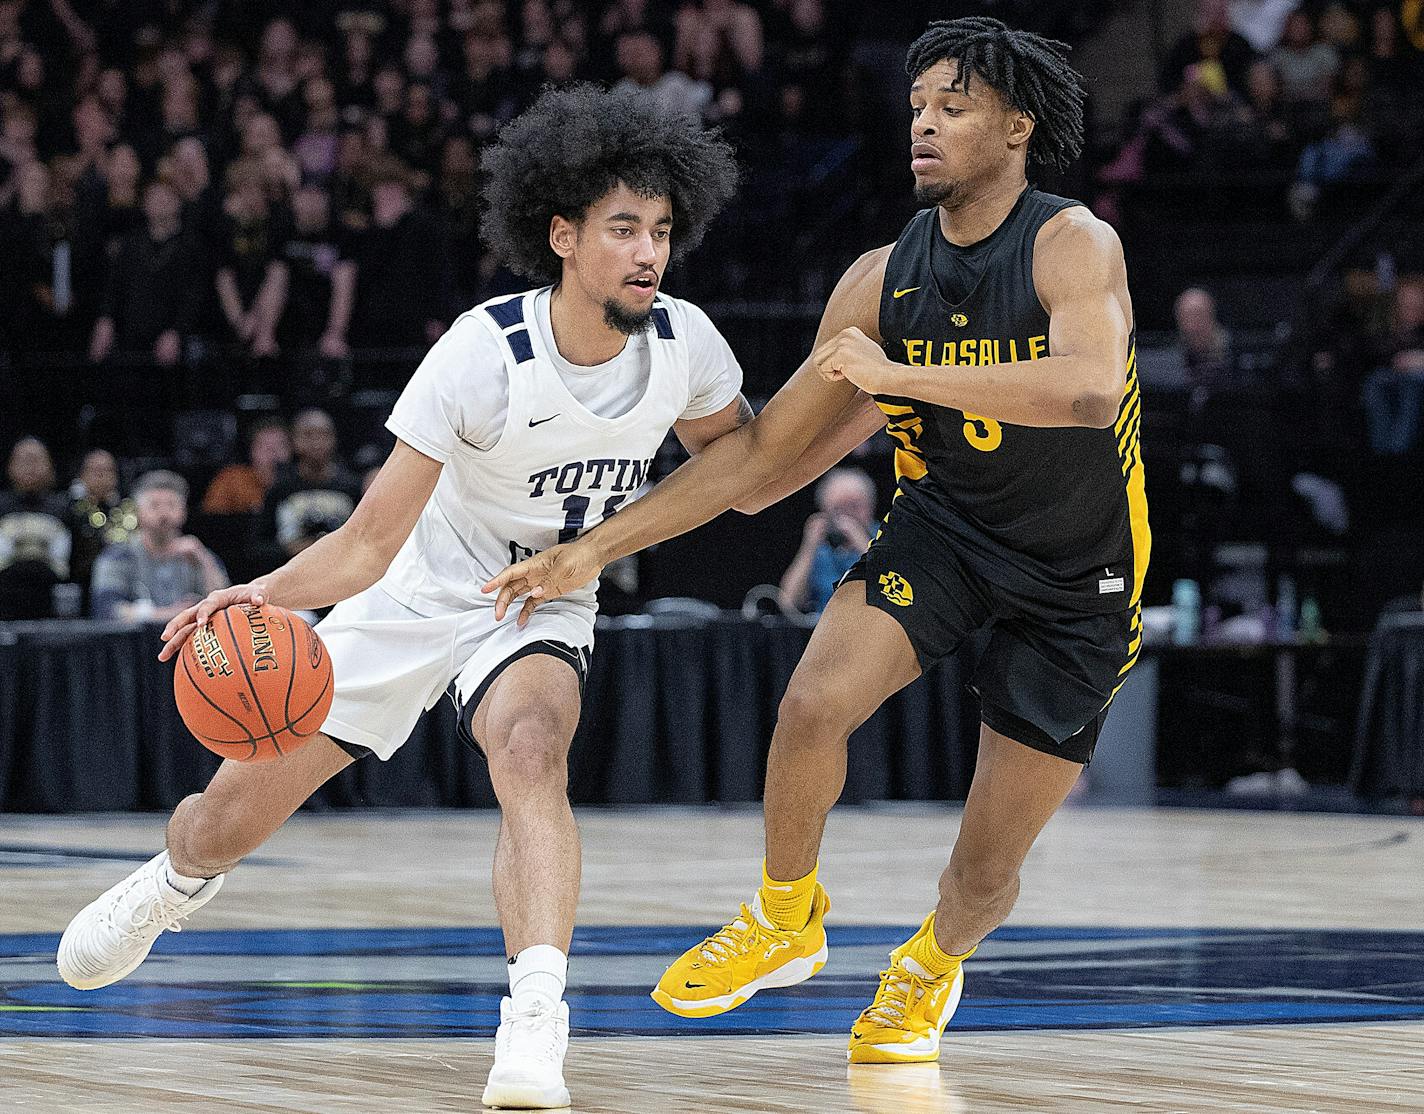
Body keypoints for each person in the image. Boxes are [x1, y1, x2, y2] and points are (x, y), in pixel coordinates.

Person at [58, 84, 743, 1110]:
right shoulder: (481, 353)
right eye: (621, 229)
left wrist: (591, 551)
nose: (647, 251)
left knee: (527, 751)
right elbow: (370, 538)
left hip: (545, 598)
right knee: (222, 823)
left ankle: (534, 1018)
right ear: (561, 235)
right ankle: (173, 882)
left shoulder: (685, 345)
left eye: (658, 230)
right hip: (423, 584)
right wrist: (260, 591)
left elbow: (732, 463)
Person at [486, 17, 1149, 1066]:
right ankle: (784, 913)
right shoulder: (877, 279)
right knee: (808, 702)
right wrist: (592, 549)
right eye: (916, 106)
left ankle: (930, 963)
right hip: (944, 530)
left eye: (953, 106)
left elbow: (1081, 389)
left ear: (1017, 127)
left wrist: (899, 378)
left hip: (1078, 574)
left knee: (981, 873)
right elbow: (754, 470)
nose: (923, 124)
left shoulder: (1070, 243)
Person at [89, 470, 229, 622]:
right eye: (154, 505)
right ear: (138, 512)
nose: (163, 513)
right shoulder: (118, 555)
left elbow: (226, 606)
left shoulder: (196, 553)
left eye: (171, 505)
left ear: (184, 512)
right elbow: (107, 610)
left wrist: (204, 560)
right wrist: (172, 614)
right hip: (135, 643)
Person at [255, 409, 361, 560]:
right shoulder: (280, 488)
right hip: (291, 571)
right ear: (294, 440)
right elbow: (257, 546)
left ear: (334, 439)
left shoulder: (352, 486)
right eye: (308, 434)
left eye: (324, 434)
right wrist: (290, 549)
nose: (317, 442)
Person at [778, 466, 875, 614]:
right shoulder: (820, 548)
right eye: (838, 509)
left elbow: (893, 589)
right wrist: (809, 547)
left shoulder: (886, 536)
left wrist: (863, 546)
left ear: (870, 506)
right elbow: (788, 603)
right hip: (824, 628)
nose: (847, 515)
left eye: (854, 506)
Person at [202, 419, 292, 515]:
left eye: (280, 445)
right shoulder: (231, 479)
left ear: (291, 450)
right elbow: (211, 518)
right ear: (252, 451)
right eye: (265, 446)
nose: (273, 452)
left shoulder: (301, 478)